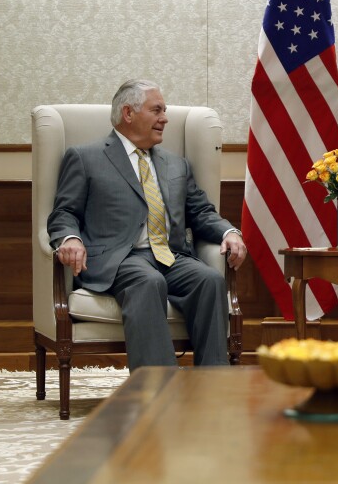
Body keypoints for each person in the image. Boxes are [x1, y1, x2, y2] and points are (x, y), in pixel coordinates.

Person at [48, 79, 247, 370]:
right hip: (121, 259)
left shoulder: (176, 164)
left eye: (164, 111)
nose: (165, 118)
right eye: (157, 110)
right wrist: (70, 239)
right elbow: (64, 212)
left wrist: (229, 232)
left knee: (209, 280)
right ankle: (158, 391)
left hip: (170, 256)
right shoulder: (85, 157)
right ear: (128, 113)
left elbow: (201, 212)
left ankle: (213, 386)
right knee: (147, 281)